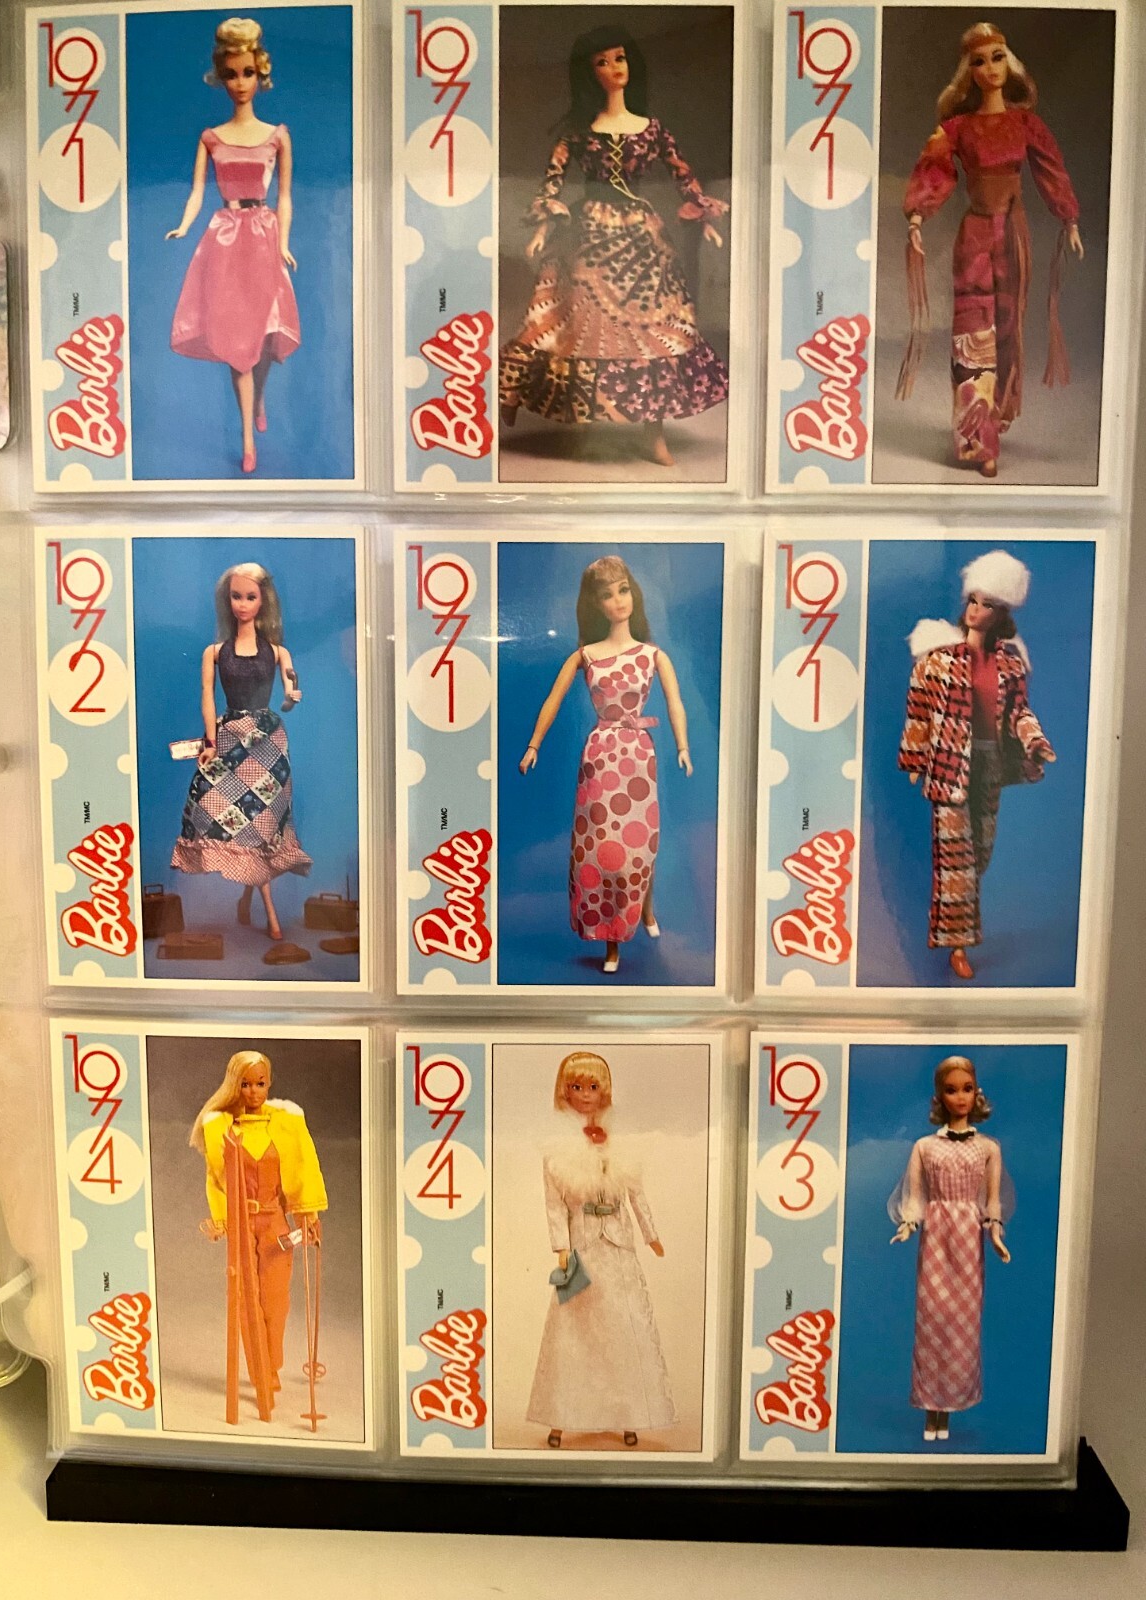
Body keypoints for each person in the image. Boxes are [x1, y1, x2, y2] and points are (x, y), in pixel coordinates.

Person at [499, 26, 728, 468]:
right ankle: (540, 403)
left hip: (642, 236)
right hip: (590, 236)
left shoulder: (651, 129)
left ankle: (653, 434)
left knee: (654, 331)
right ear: (590, 74)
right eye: (601, 62)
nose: (613, 68)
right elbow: (552, 181)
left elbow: (683, 176)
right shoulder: (578, 132)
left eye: (619, 58)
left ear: (630, 63)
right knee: (570, 324)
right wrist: (544, 225)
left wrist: (704, 217)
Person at [897, 21, 1083, 478]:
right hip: (975, 235)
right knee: (972, 334)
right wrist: (917, 216)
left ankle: (994, 422)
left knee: (1007, 332)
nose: (990, 68)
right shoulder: (956, 128)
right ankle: (977, 443)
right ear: (970, 72)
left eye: (997, 57)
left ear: (1009, 62)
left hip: (1013, 237)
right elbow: (935, 170)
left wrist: (1069, 218)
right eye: (979, 62)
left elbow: (1051, 169)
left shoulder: (1025, 123)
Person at [519, 555, 692, 975]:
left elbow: (675, 703)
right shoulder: (586, 656)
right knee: (602, 849)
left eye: (623, 590)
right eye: (608, 595)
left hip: (638, 756)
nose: (618, 601)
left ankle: (645, 911)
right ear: (595, 604)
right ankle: (611, 941)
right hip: (601, 757)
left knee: (641, 842)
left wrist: (683, 746)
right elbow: (553, 699)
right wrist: (533, 745)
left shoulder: (653, 655)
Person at [898, 549, 1055, 979]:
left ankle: (956, 924)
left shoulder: (1010, 665)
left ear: (1001, 613)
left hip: (989, 766)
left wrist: (1036, 742)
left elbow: (1019, 713)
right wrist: (916, 758)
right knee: (957, 863)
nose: (976, 610)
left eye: (987, 605)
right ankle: (958, 947)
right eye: (973, 601)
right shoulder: (938, 659)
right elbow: (919, 709)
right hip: (948, 766)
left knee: (979, 854)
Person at [166, 16, 299, 473]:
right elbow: (197, 193)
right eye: (231, 74)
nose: (240, 83)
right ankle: (246, 438)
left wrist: (283, 244)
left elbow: (284, 197)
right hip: (225, 240)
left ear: (260, 74)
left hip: (263, 237)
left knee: (264, 334)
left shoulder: (277, 136)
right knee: (236, 338)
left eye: (247, 73)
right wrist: (184, 225)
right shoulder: (211, 138)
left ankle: (259, 397)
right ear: (220, 77)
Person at [526, 1051, 674, 1449]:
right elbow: (554, 1203)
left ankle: (629, 1415)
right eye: (576, 1087)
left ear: (604, 1090)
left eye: (593, 1086)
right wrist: (561, 1246)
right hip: (582, 1248)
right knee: (573, 1331)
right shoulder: (556, 1147)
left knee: (625, 1328)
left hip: (619, 1246)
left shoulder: (621, 1143)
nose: (585, 1094)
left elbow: (636, 1192)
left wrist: (651, 1233)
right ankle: (562, 1417)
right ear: (565, 1091)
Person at [171, 561, 311, 944]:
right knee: (208, 805)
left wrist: (292, 697)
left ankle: (266, 909)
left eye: (250, 597)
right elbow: (207, 697)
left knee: (263, 824)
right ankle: (253, 901)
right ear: (227, 599)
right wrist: (210, 742)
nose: (243, 604)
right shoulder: (215, 652)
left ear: (263, 601)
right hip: (230, 738)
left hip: (268, 744)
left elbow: (289, 695)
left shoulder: (278, 652)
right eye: (236, 596)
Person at [191, 1049, 326, 1423]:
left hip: (275, 1221)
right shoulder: (222, 1128)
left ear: (269, 1084)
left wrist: (308, 1215)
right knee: (246, 1300)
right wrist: (221, 1220)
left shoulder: (285, 1123)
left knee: (276, 1302)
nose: (253, 1091)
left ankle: (273, 1363)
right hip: (241, 1223)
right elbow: (215, 1180)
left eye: (260, 1083)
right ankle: (260, 1372)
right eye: (246, 1084)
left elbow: (303, 1170)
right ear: (234, 1086)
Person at [889, 1055, 1011, 1442]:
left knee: (962, 1325)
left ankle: (951, 1409)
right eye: (951, 1090)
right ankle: (931, 1412)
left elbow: (992, 1200)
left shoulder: (988, 1148)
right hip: (936, 1238)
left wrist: (995, 1232)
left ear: (977, 1093)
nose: (960, 1097)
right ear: (940, 1096)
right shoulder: (924, 1147)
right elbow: (916, 1196)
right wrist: (908, 1224)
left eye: (967, 1089)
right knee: (932, 1320)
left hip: (969, 1240)